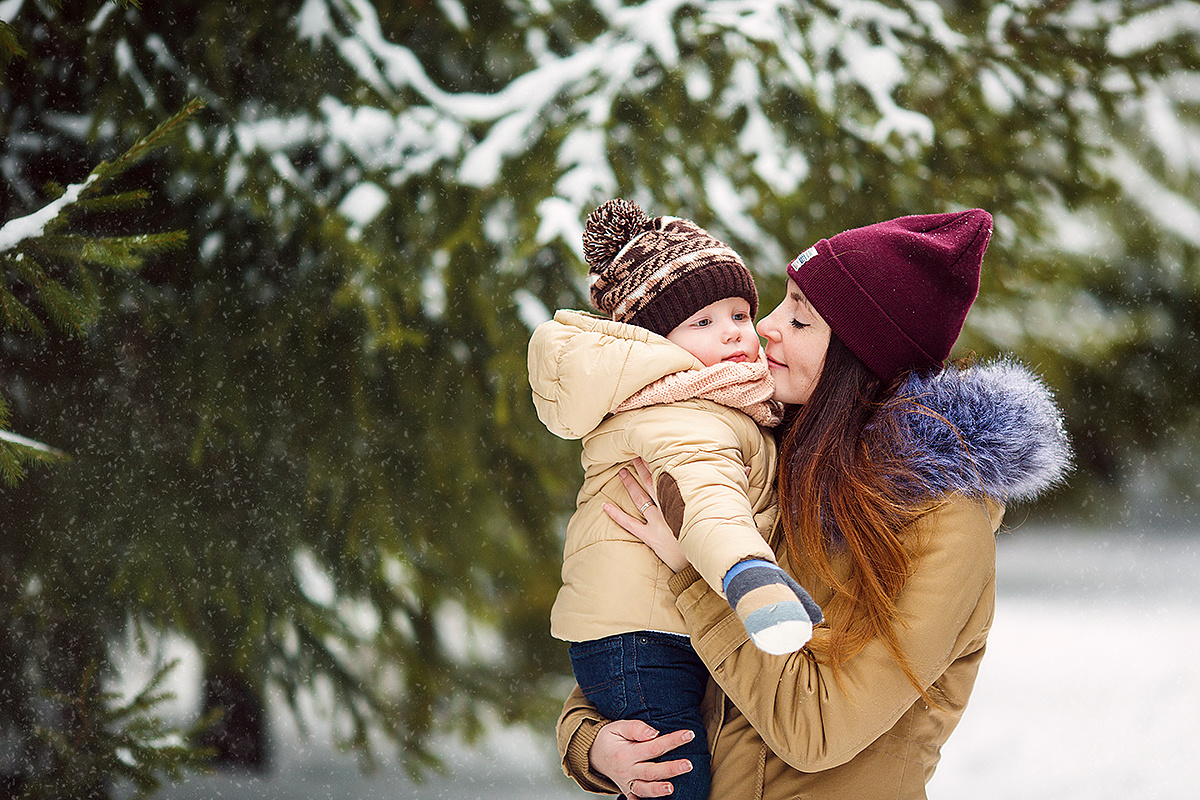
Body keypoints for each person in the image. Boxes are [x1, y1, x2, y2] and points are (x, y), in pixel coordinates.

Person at [555, 210, 1073, 799]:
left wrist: (695, 576)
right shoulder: (762, 461)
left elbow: (820, 730)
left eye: (800, 320)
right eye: (779, 304)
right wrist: (594, 744)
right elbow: (635, 639)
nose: (765, 328)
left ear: (861, 358)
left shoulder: (941, 523)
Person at [529, 199, 822, 799]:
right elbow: (710, 504)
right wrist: (752, 577)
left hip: (651, 630)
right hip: (646, 638)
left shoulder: (722, 399)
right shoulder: (686, 411)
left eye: (739, 313)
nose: (735, 332)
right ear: (658, 341)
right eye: (703, 322)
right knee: (673, 779)